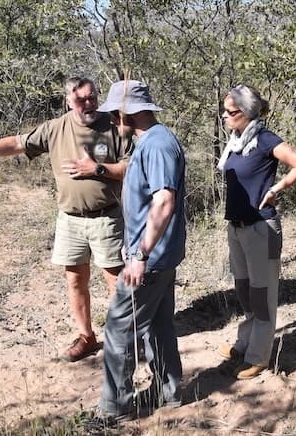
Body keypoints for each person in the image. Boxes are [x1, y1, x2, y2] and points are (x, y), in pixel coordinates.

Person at [0, 76, 130, 362]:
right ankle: (86, 337)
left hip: (107, 217)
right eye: (81, 100)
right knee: (75, 281)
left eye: (92, 97)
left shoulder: (115, 126)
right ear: (69, 101)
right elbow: (18, 144)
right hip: (70, 219)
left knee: (117, 282)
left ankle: (125, 339)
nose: (89, 104)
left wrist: (98, 169)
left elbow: (130, 167)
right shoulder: (55, 128)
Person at [95, 79, 187, 421]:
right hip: (155, 256)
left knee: (119, 329)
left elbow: (164, 202)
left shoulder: (159, 144)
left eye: (114, 114)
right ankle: (168, 391)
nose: (111, 121)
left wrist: (139, 255)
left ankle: (113, 409)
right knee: (158, 325)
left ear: (127, 112)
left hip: (150, 259)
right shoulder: (148, 142)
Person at [216, 85, 296, 380]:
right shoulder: (236, 141)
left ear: (245, 113)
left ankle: (258, 356)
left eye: (230, 112)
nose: (224, 116)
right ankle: (245, 343)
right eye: (224, 110)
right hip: (237, 226)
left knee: (262, 293)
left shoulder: (265, 139)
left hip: (262, 228)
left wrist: (275, 189)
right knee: (244, 290)